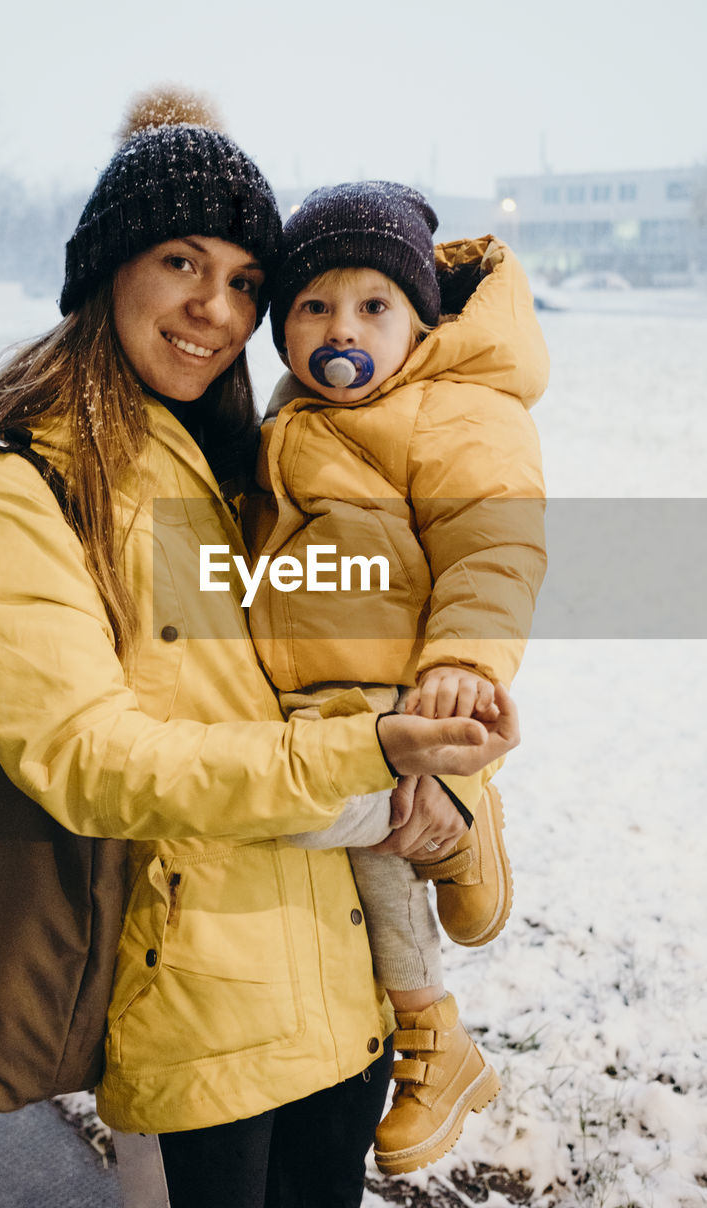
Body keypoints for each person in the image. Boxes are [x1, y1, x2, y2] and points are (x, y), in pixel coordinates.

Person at [0, 92, 520, 1208]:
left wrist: (443, 786)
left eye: (245, 279)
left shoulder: (239, 462)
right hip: (198, 1019)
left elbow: (331, 667)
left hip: (343, 998)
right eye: (181, 261)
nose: (215, 307)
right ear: (109, 266)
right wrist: (374, 768)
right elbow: (90, 758)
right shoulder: (16, 484)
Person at [246, 181, 547, 1176]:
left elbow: (493, 545)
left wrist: (458, 663)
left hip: (400, 698)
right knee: (365, 868)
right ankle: (436, 1037)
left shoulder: (449, 408)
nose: (343, 329)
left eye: (373, 305)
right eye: (313, 307)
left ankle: (458, 814)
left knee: (279, 807)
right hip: (320, 704)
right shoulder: (294, 418)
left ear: (418, 321)